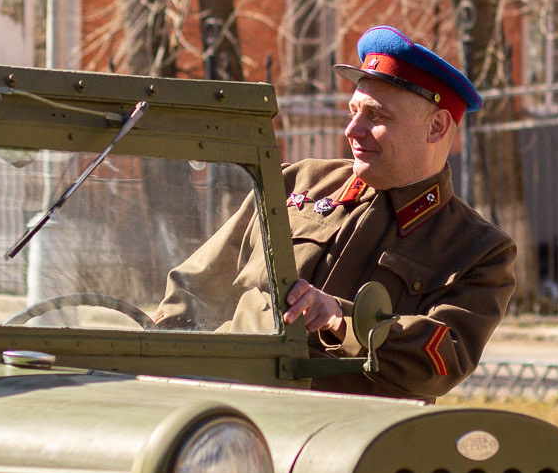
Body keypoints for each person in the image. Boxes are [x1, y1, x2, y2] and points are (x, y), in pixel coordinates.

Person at [155, 25, 515, 399]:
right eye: (353, 111)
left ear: (436, 127)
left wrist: (341, 320)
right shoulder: (299, 182)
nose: (352, 130)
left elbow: (443, 361)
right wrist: (157, 368)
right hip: (229, 413)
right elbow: (194, 286)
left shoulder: (478, 250)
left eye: (376, 116)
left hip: (343, 438)